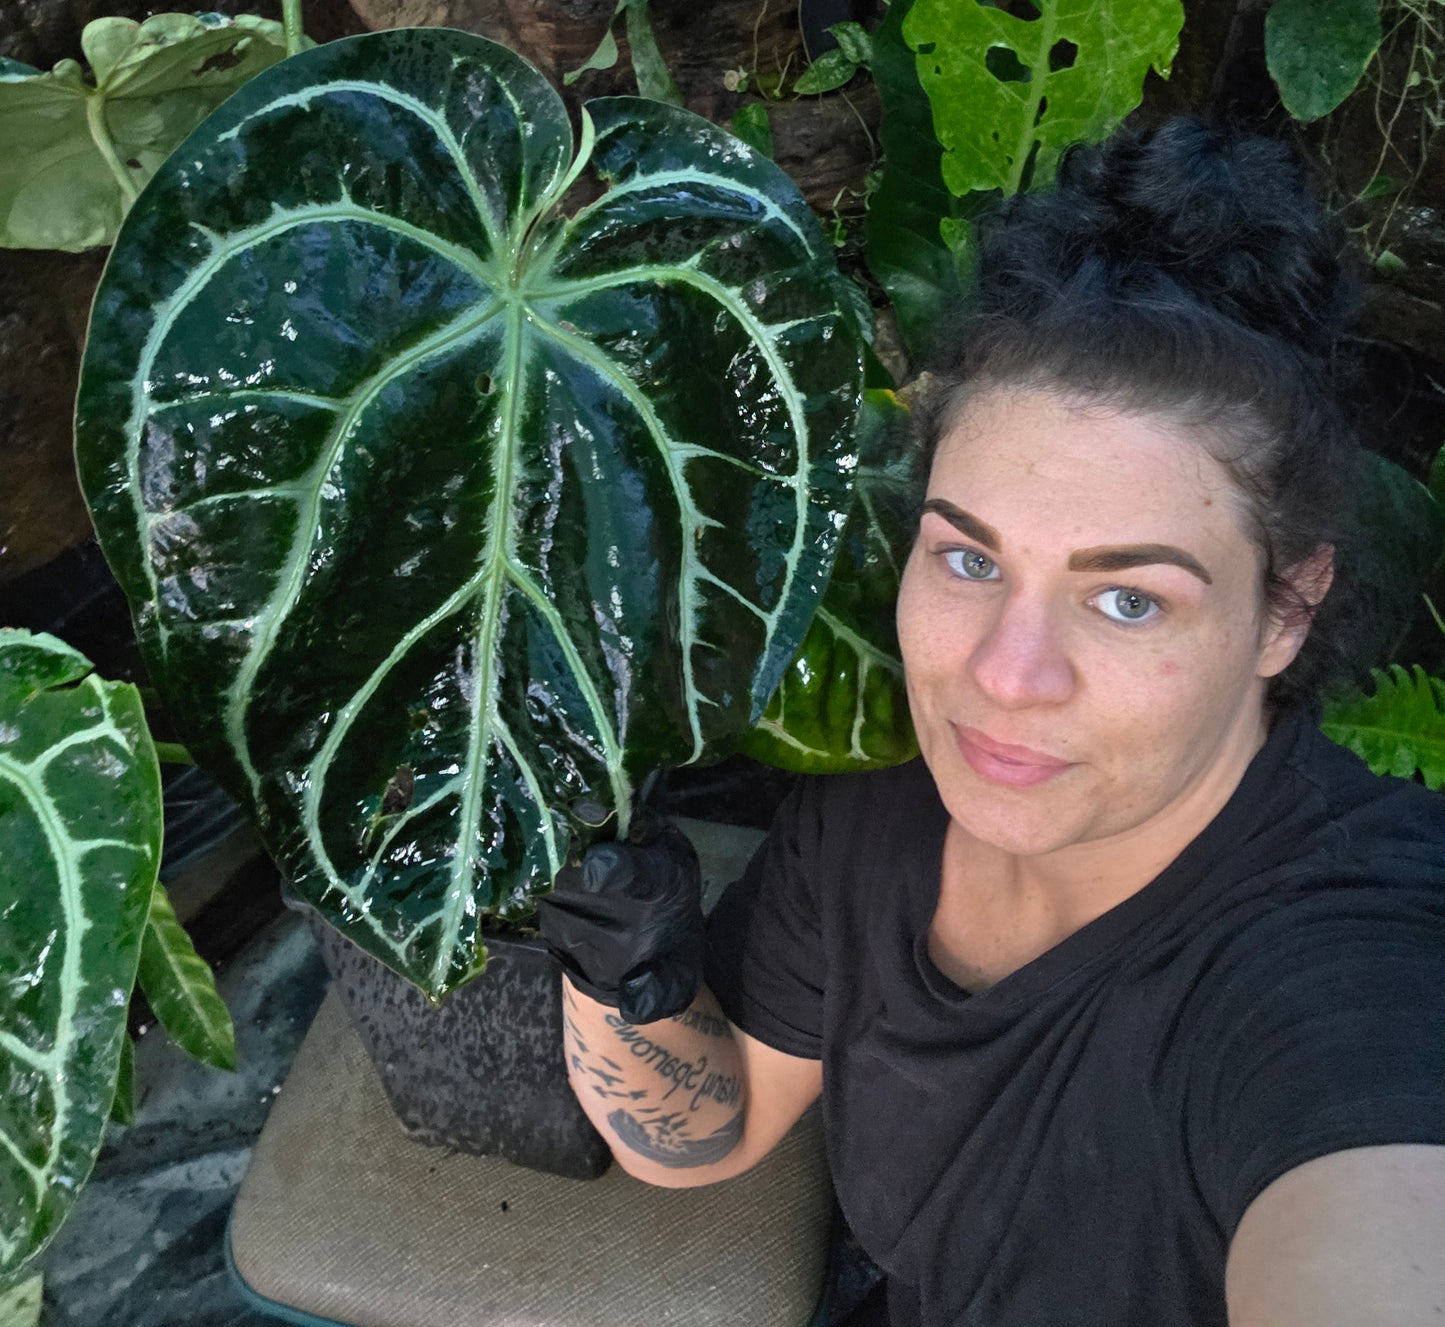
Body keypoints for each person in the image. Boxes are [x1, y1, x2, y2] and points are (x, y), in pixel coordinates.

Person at [538, 119, 1445, 1326]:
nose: (1004, 678)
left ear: (1283, 610)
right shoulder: (877, 809)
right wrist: (621, 966)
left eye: (1127, 598)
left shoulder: (1344, 969)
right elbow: (710, 1126)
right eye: (967, 559)